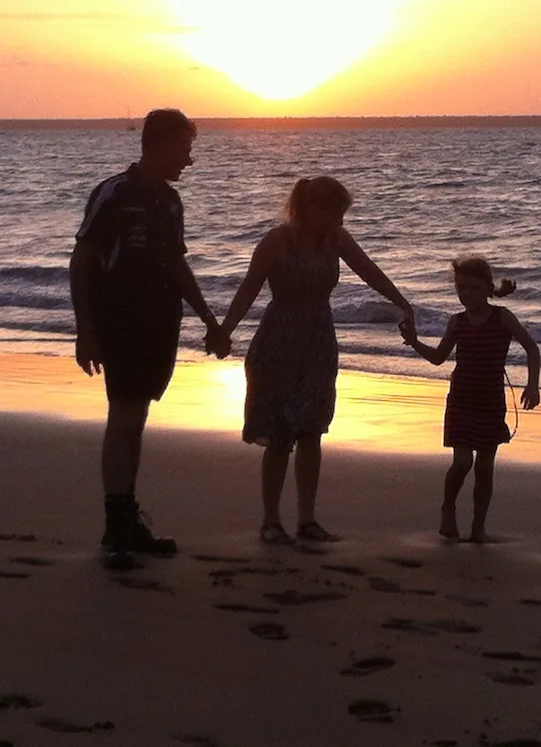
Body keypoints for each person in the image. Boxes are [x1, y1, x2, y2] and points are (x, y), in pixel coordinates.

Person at [69, 108, 230, 570]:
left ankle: (126, 517)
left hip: (161, 323)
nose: (188, 160)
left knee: (136, 414)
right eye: (184, 149)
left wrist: (210, 321)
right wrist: (86, 330)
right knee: (123, 415)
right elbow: (82, 262)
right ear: (160, 144)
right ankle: (117, 527)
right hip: (118, 321)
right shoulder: (113, 195)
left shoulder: (171, 202)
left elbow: (177, 266)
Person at [218, 176, 415, 544]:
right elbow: (249, 287)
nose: (340, 223)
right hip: (279, 343)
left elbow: (370, 271)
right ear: (311, 210)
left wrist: (404, 303)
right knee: (280, 434)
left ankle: (307, 520)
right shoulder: (277, 241)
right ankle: (271, 521)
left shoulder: (336, 240)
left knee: (313, 429)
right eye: (335, 214)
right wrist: (224, 330)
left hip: (319, 343)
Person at [400, 257, 540, 543]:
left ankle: (479, 527)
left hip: (490, 401)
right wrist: (414, 341)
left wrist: (533, 385)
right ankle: (448, 507)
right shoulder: (457, 322)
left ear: (488, 288)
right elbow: (439, 358)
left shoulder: (502, 317)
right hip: (461, 400)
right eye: (460, 287)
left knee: (485, 468)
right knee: (462, 462)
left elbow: (531, 348)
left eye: (473, 288)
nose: (466, 294)